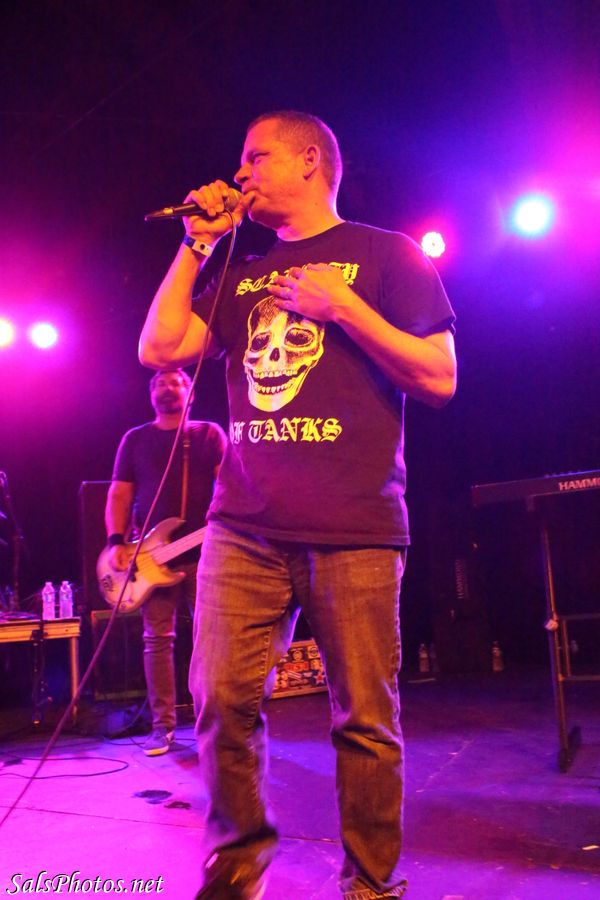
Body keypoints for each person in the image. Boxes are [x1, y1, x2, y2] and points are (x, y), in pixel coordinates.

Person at [139, 111, 456, 898]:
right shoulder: (241, 271)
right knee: (219, 698)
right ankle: (239, 861)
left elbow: (440, 376)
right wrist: (196, 244)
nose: (240, 173)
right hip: (243, 525)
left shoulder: (387, 255)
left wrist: (343, 309)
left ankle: (371, 886)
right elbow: (160, 348)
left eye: (256, 157)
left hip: (355, 526)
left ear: (310, 161)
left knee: (365, 721)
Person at [105, 368, 226, 756]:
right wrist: (116, 541)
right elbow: (120, 494)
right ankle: (163, 728)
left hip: (203, 555)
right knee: (156, 641)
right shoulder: (135, 439)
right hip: (151, 560)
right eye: (159, 383)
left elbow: (230, 485)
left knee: (213, 642)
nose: (167, 387)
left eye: (176, 382)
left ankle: (216, 726)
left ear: (190, 392)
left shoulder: (207, 434)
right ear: (150, 395)